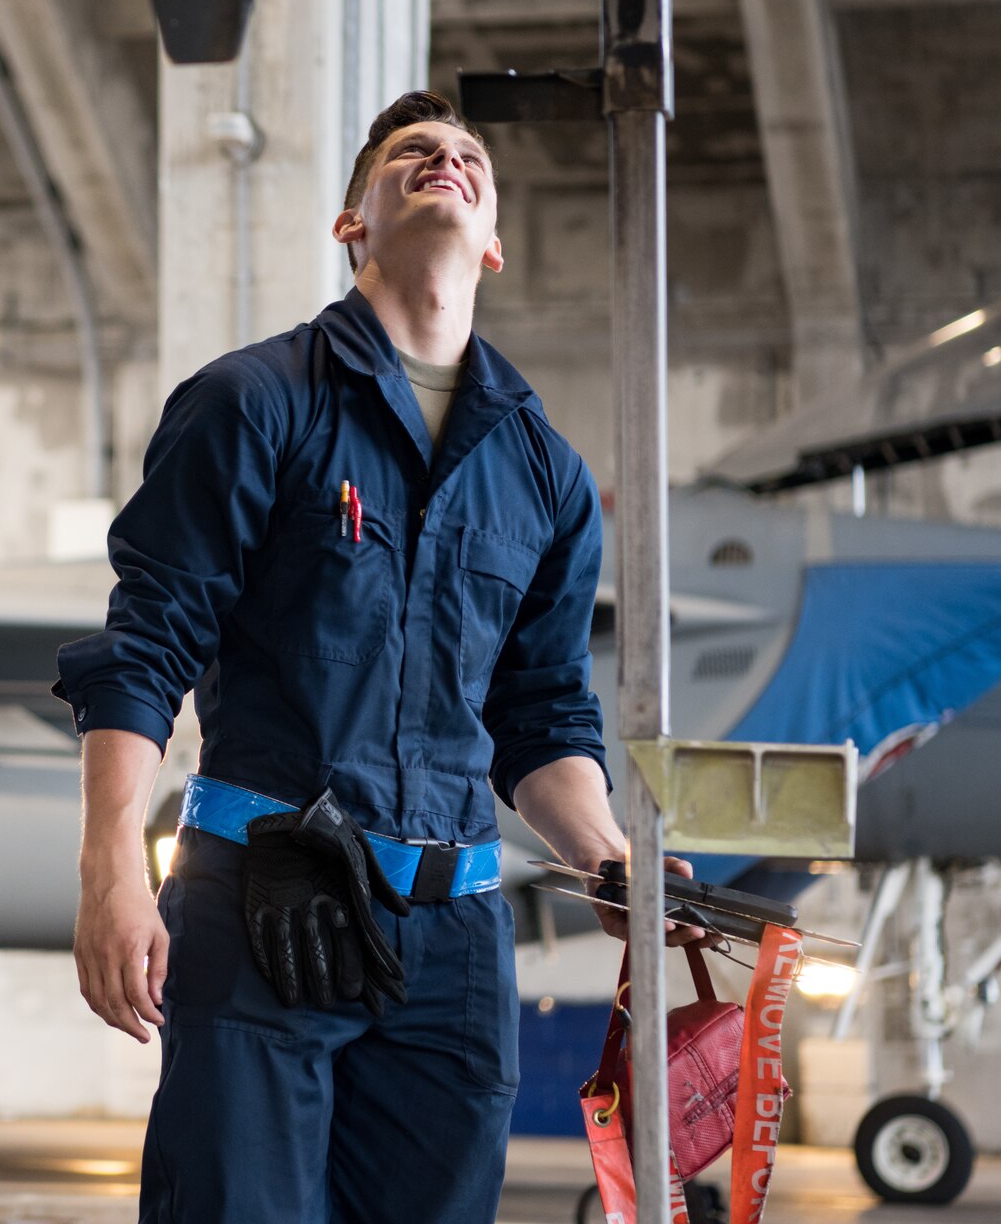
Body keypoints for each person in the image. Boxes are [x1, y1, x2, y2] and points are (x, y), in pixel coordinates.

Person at [54, 90, 703, 1224]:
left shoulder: (543, 470)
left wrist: (608, 858)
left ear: (492, 239)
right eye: (411, 153)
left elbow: (542, 714)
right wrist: (110, 868)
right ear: (352, 219)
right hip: (264, 897)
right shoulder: (253, 402)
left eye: (467, 158)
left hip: (452, 945)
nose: (443, 161)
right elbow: (143, 645)